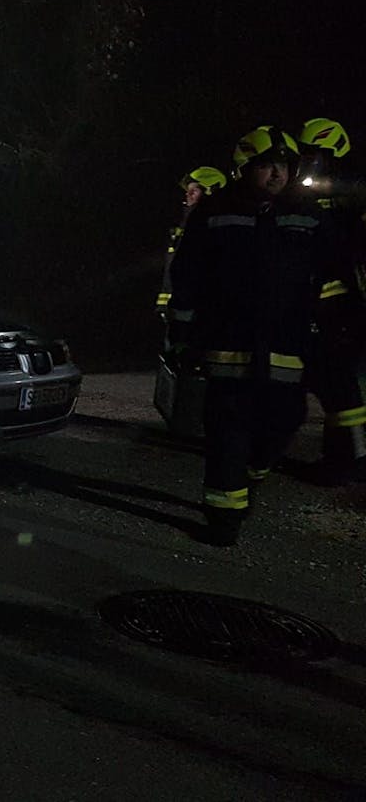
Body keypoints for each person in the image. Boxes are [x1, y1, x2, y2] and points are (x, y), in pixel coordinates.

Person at [168, 126, 354, 545]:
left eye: (285, 166)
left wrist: (335, 321)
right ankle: (223, 518)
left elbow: (333, 271)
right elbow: (188, 274)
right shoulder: (214, 212)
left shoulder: (308, 215)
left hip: (288, 345)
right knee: (227, 431)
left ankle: (250, 477)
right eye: (268, 165)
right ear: (244, 169)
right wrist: (181, 332)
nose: (277, 174)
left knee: (285, 420)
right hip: (227, 345)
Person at [295, 117, 366, 484]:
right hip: (329, 300)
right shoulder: (311, 196)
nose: (311, 166)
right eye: (307, 158)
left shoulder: (350, 191)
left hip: (347, 303)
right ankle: (342, 457)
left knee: (343, 383)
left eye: (317, 157)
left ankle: (346, 460)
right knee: (340, 382)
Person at [157, 167, 226, 320]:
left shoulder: (217, 225)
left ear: (210, 191)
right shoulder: (184, 223)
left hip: (200, 312)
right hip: (177, 310)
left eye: (194, 191)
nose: (187, 195)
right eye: (188, 191)